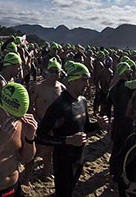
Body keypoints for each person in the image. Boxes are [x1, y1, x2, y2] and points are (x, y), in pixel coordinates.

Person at [36, 61, 108, 197]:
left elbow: (85, 127)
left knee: (70, 190)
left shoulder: (82, 101)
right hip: (63, 161)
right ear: (73, 80)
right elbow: (40, 136)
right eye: (84, 80)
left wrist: (98, 124)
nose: (87, 85)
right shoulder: (59, 105)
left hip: (79, 159)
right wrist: (67, 141)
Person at [25, 57, 66, 177]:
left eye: (56, 71)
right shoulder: (38, 87)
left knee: (49, 152)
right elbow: (29, 105)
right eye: (51, 71)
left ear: (60, 73)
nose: (54, 73)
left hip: (54, 126)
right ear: (47, 72)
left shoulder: (62, 89)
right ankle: (26, 176)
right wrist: (35, 119)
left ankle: (45, 174)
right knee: (34, 151)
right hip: (39, 124)